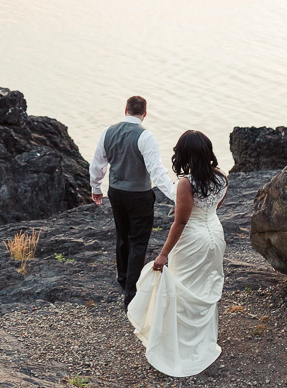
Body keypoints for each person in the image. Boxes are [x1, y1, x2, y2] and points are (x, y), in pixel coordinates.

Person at [126, 129, 228, 378]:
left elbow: (180, 223)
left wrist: (162, 255)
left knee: (182, 290)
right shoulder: (222, 178)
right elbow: (216, 206)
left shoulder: (185, 184)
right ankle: (201, 341)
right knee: (203, 289)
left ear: (184, 154)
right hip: (215, 235)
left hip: (192, 241)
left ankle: (181, 347)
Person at [90, 96, 177, 308]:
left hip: (117, 193)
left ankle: (123, 280)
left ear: (125, 110)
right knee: (138, 242)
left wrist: (96, 188)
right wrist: (175, 194)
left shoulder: (107, 132)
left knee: (122, 235)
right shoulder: (146, 136)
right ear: (144, 114)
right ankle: (131, 294)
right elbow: (156, 171)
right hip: (139, 195)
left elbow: (97, 164)